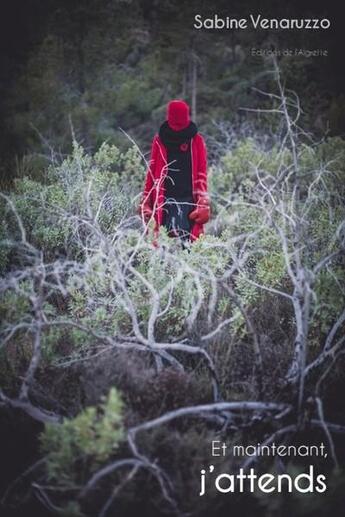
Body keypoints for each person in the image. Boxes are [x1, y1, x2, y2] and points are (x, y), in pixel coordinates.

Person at [139, 99, 210, 242]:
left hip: (189, 205)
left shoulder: (195, 141)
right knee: (162, 247)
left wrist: (203, 203)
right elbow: (152, 173)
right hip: (164, 204)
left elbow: (201, 176)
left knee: (188, 247)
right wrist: (145, 201)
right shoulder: (160, 140)